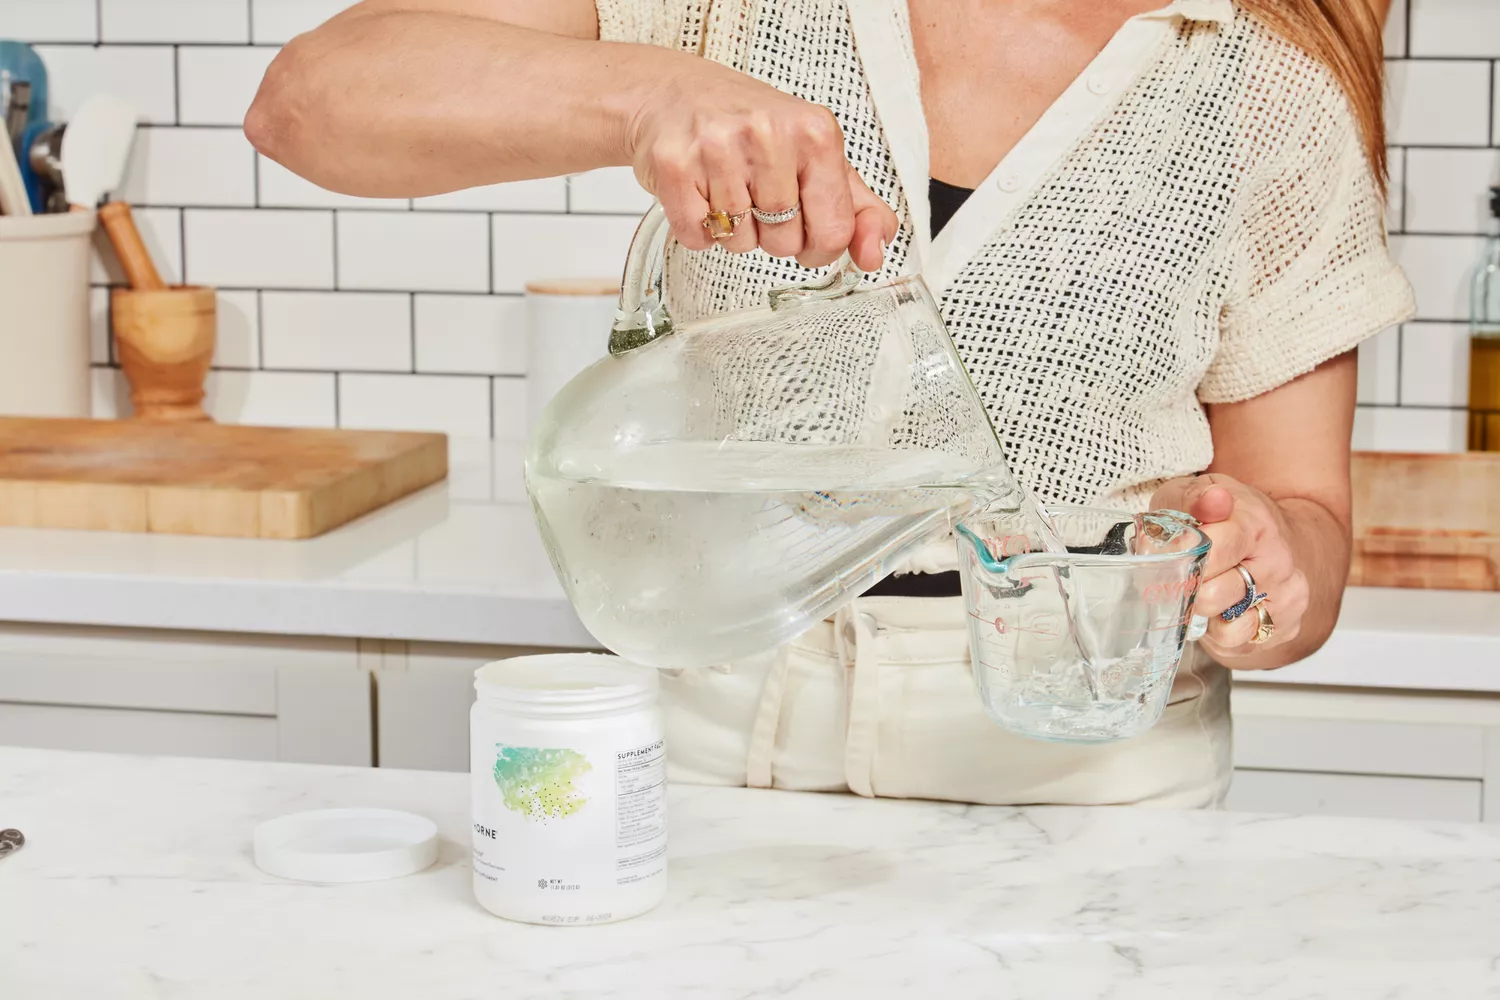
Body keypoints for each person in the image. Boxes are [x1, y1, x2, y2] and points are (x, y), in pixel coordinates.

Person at [247, 0, 1412, 807]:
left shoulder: (1265, 89)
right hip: (713, 755)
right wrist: (652, 95)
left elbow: (1304, 521)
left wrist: (1272, 560)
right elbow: (308, 104)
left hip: (1087, 786)